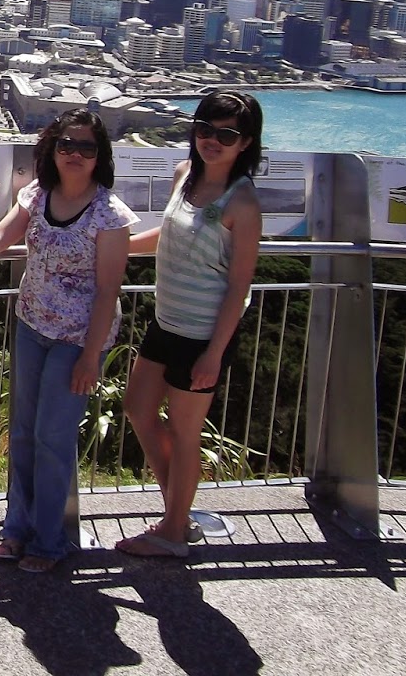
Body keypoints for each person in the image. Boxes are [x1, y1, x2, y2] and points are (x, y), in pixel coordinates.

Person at [0, 109, 137, 572]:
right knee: (24, 431)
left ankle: (49, 540)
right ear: (53, 148)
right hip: (31, 325)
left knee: (53, 436)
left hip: (78, 338)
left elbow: (109, 290)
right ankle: (16, 528)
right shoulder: (37, 194)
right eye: (67, 144)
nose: (75, 154)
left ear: (100, 156)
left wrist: (91, 356)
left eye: (86, 147)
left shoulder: (110, 214)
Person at [116, 91, 263, 559]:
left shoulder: (243, 203)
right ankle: (177, 513)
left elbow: (239, 285)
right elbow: (169, 233)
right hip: (166, 320)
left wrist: (214, 354)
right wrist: (116, 247)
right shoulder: (184, 175)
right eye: (204, 129)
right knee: (138, 409)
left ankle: (174, 530)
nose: (211, 141)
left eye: (227, 135)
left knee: (184, 432)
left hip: (204, 334)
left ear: (246, 143)